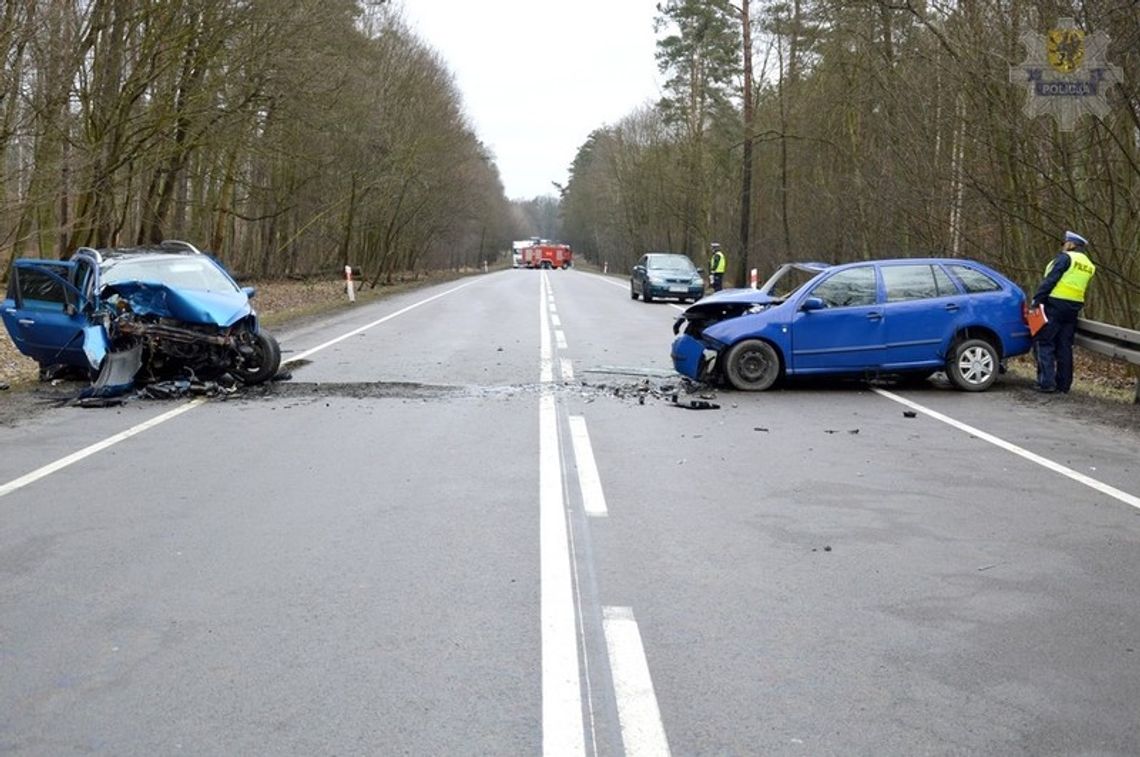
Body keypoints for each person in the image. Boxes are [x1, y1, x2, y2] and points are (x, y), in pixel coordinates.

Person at [1031, 230, 1096, 393]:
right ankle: (1063, 385)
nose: (1063, 246)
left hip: (1054, 306)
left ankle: (1046, 383)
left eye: (1065, 243)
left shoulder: (1066, 258)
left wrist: (1037, 300)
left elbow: (1050, 280)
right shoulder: (1089, 265)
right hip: (1073, 309)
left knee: (1044, 342)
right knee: (1064, 346)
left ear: (1072, 244)